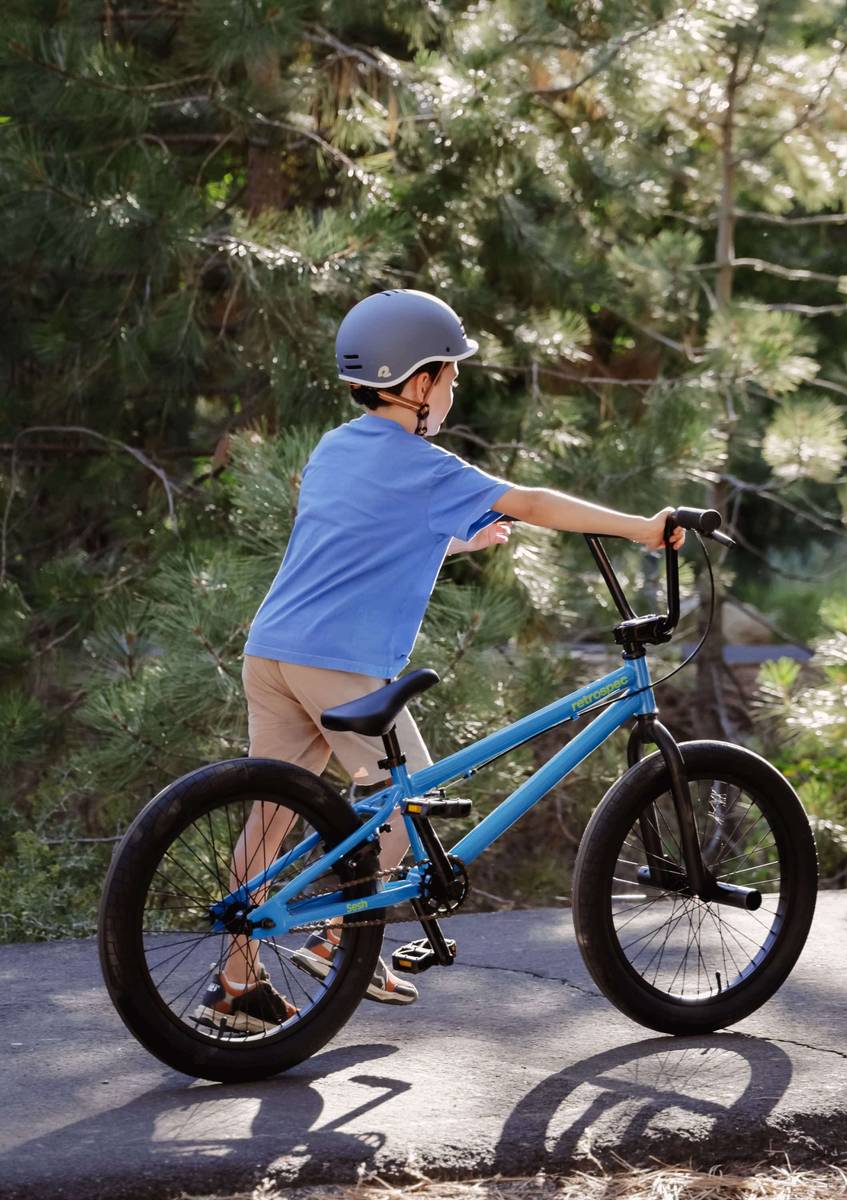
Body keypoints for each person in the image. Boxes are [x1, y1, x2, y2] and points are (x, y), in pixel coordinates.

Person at [192, 289, 685, 1036]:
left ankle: (236, 983)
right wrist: (642, 529)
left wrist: (456, 541)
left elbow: (362, 536)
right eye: (451, 375)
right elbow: (531, 501)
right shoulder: (427, 466)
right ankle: (338, 941)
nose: (454, 389)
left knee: (268, 821)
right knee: (407, 807)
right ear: (419, 383)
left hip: (272, 653)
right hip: (339, 664)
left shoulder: (334, 448)